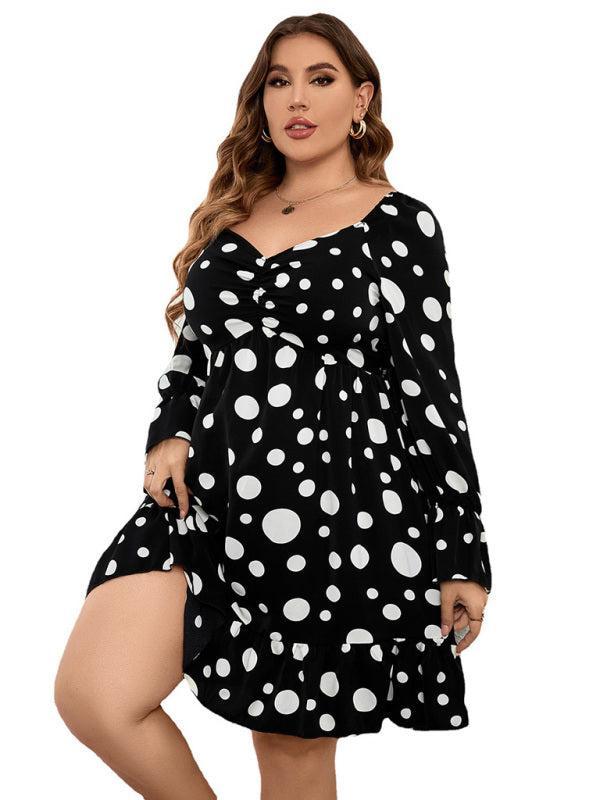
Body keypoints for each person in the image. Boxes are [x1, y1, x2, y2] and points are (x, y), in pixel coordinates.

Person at [54, 12, 492, 800]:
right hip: (205, 501)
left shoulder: (397, 223)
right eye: (278, 82)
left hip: (334, 512)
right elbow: (195, 350)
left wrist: (463, 549)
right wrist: (170, 429)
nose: (296, 99)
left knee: (290, 757)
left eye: (321, 79)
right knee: (95, 696)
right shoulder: (233, 219)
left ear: (361, 99)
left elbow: (430, 390)